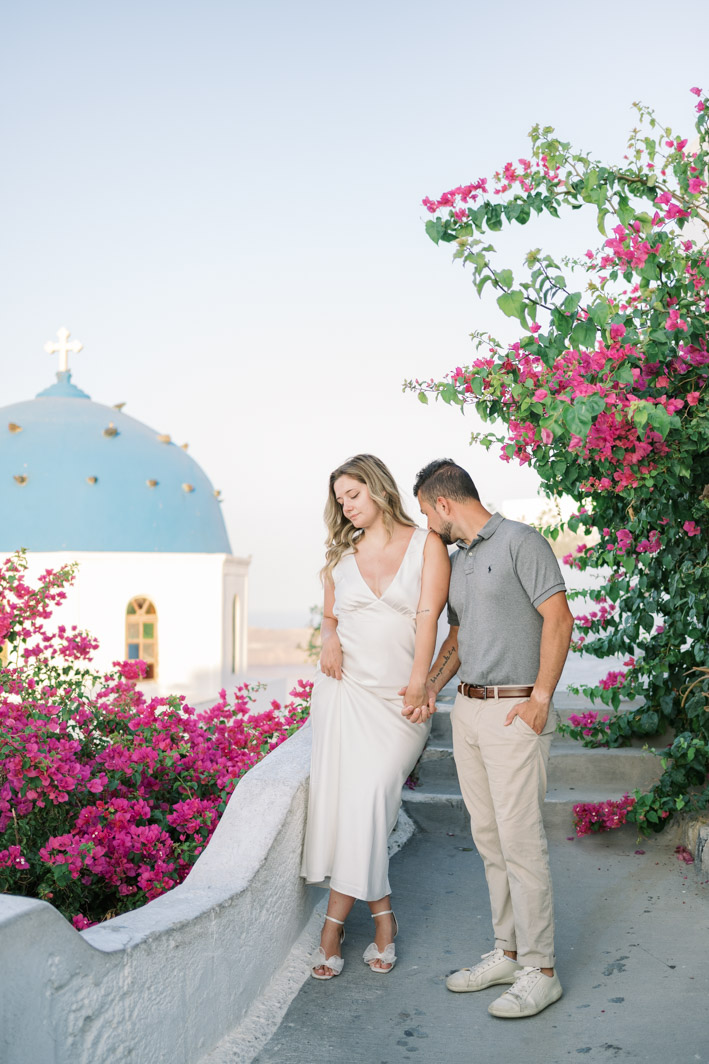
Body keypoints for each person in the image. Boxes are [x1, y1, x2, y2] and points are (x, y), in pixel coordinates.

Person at [409, 459, 574, 1018]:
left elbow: (560, 619)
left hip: (515, 713)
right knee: (489, 839)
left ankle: (542, 969)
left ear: (444, 504)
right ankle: (508, 951)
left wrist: (540, 699)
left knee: (521, 842)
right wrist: (430, 688)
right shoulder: (457, 562)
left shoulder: (522, 542)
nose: (427, 524)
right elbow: (456, 638)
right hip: (470, 714)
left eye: (426, 512)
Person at [301, 454, 450, 979]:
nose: (346, 506)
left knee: (370, 798)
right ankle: (379, 920)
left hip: (400, 702)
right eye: (340, 500)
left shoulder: (426, 544)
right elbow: (330, 611)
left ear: (380, 490)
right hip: (344, 694)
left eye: (353, 495)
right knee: (355, 807)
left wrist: (421, 679)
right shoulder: (342, 554)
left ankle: (333, 926)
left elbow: (429, 615)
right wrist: (331, 636)